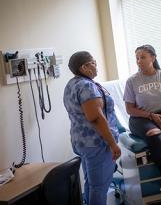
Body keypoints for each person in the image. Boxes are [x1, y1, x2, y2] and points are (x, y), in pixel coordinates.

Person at [123, 44, 161, 202]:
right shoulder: (132, 81)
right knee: (154, 133)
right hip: (140, 118)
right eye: (137, 58)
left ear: (153, 58)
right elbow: (130, 109)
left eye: (142, 57)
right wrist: (151, 116)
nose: (139, 61)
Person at [63, 51, 121, 205]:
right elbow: (96, 118)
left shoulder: (71, 84)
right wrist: (112, 144)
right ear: (84, 67)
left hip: (82, 143)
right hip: (98, 144)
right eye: (94, 62)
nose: (96, 66)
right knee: (100, 187)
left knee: (92, 183)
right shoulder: (87, 86)